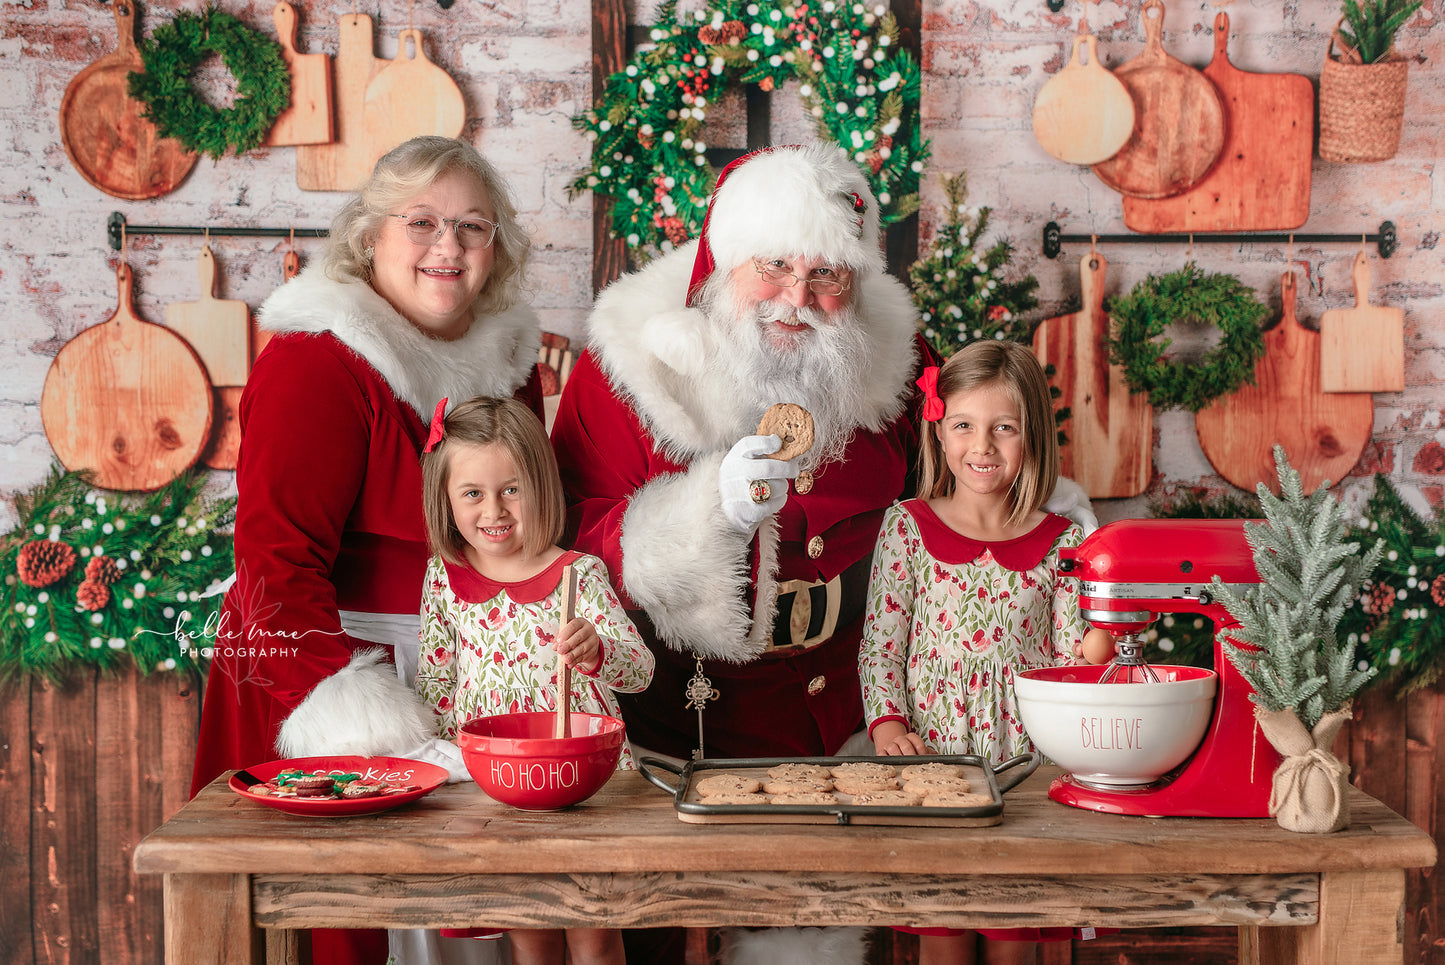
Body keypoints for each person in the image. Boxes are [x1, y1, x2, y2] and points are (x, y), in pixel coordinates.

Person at [551, 143, 936, 965]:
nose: (798, 297)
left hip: (846, 724)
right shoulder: (628, 368)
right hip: (679, 722)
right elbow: (565, 545)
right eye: (774, 266)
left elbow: (944, 497)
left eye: (826, 274)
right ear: (728, 258)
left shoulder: (897, 366)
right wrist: (701, 516)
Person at [190, 135, 544, 965]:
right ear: (370, 234)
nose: (447, 246)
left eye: (472, 226)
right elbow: (275, 567)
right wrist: (381, 731)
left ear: (495, 247)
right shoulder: (317, 361)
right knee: (361, 922)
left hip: (474, 665)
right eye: (421, 222)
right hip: (338, 669)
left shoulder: (508, 362)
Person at [860, 340, 1100, 965]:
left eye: (1004, 428)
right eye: (964, 425)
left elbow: (1076, 661)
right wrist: (888, 727)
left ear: (1032, 436)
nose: (983, 446)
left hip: (1027, 772)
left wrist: (1105, 630)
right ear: (938, 431)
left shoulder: (1063, 543)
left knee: (1014, 938)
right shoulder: (908, 527)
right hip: (934, 773)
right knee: (944, 938)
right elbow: (881, 647)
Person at [414, 394, 652, 965]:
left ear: (540, 486)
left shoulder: (578, 575)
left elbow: (641, 670)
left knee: (594, 931)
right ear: (445, 499)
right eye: (472, 493)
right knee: (530, 929)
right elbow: (437, 687)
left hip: (583, 785)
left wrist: (597, 652)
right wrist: (447, 777)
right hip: (498, 790)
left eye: (511, 489)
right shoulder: (444, 578)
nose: (493, 510)